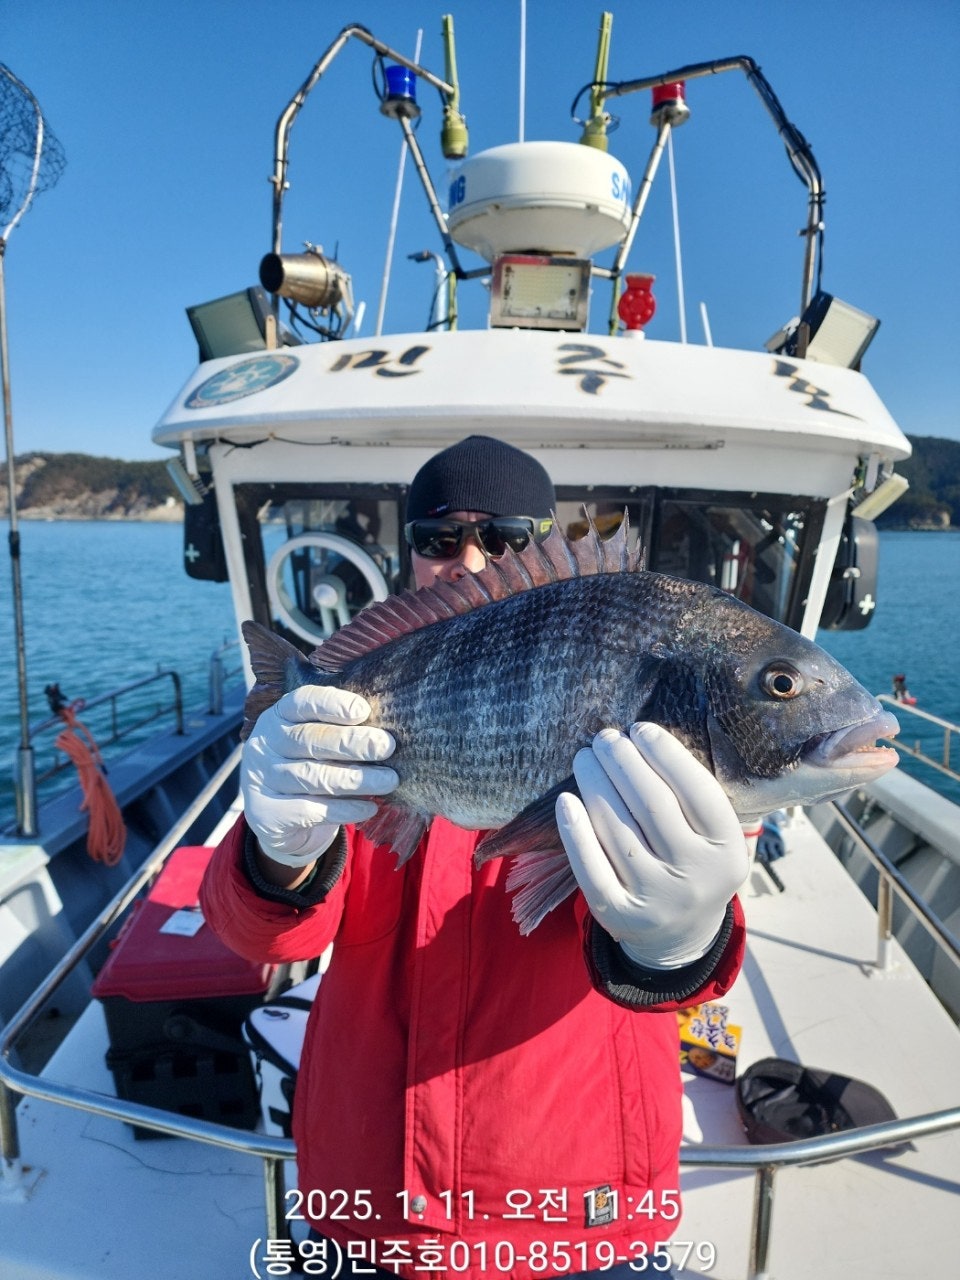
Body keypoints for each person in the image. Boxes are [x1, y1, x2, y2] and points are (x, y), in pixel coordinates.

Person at [200, 435, 748, 1279]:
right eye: (436, 537)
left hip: (580, 1214)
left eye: (505, 536)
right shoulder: (344, 719)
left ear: (541, 545)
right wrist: (276, 853)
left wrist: (677, 938)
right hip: (365, 1202)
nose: (466, 558)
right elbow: (269, 942)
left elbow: (679, 962)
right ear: (408, 551)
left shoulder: (631, 706)